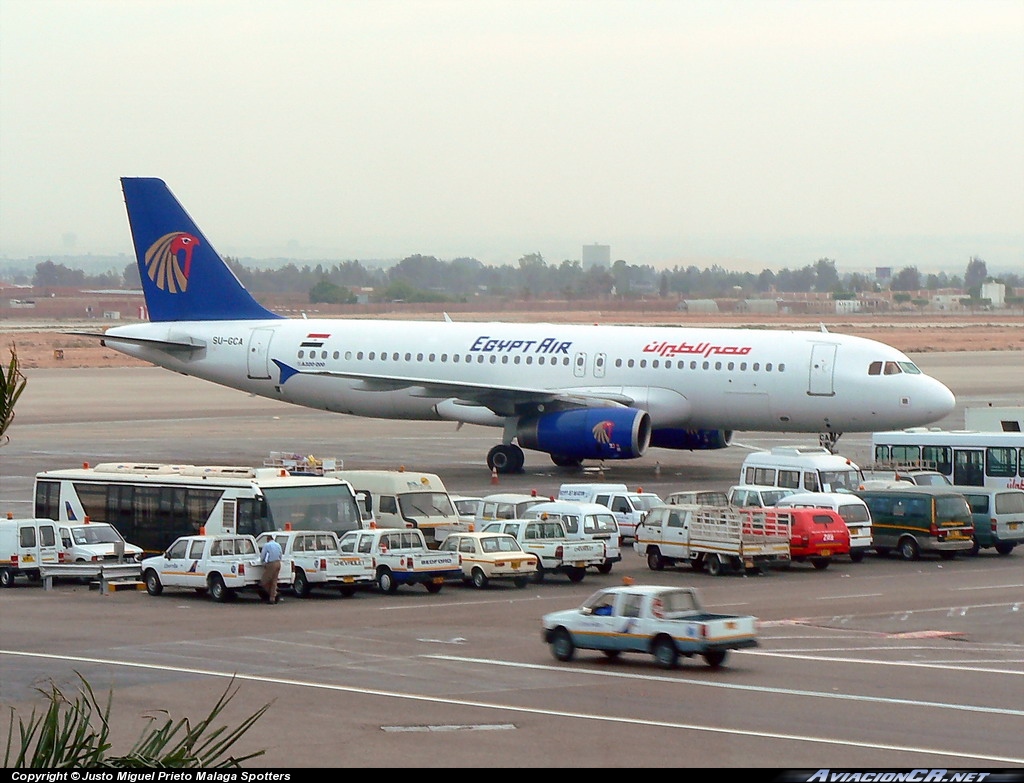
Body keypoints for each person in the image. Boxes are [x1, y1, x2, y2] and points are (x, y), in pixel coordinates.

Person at [260, 537, 284, 604]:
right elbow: (281, 554)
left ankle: (274, 594)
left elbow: (263, 555)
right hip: (278, 563)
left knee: (263, 581)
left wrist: (262, 562)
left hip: (271, 564)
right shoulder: (278, 545)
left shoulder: (267, 545)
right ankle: (272, 599)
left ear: (267, 539)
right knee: (274, 582)